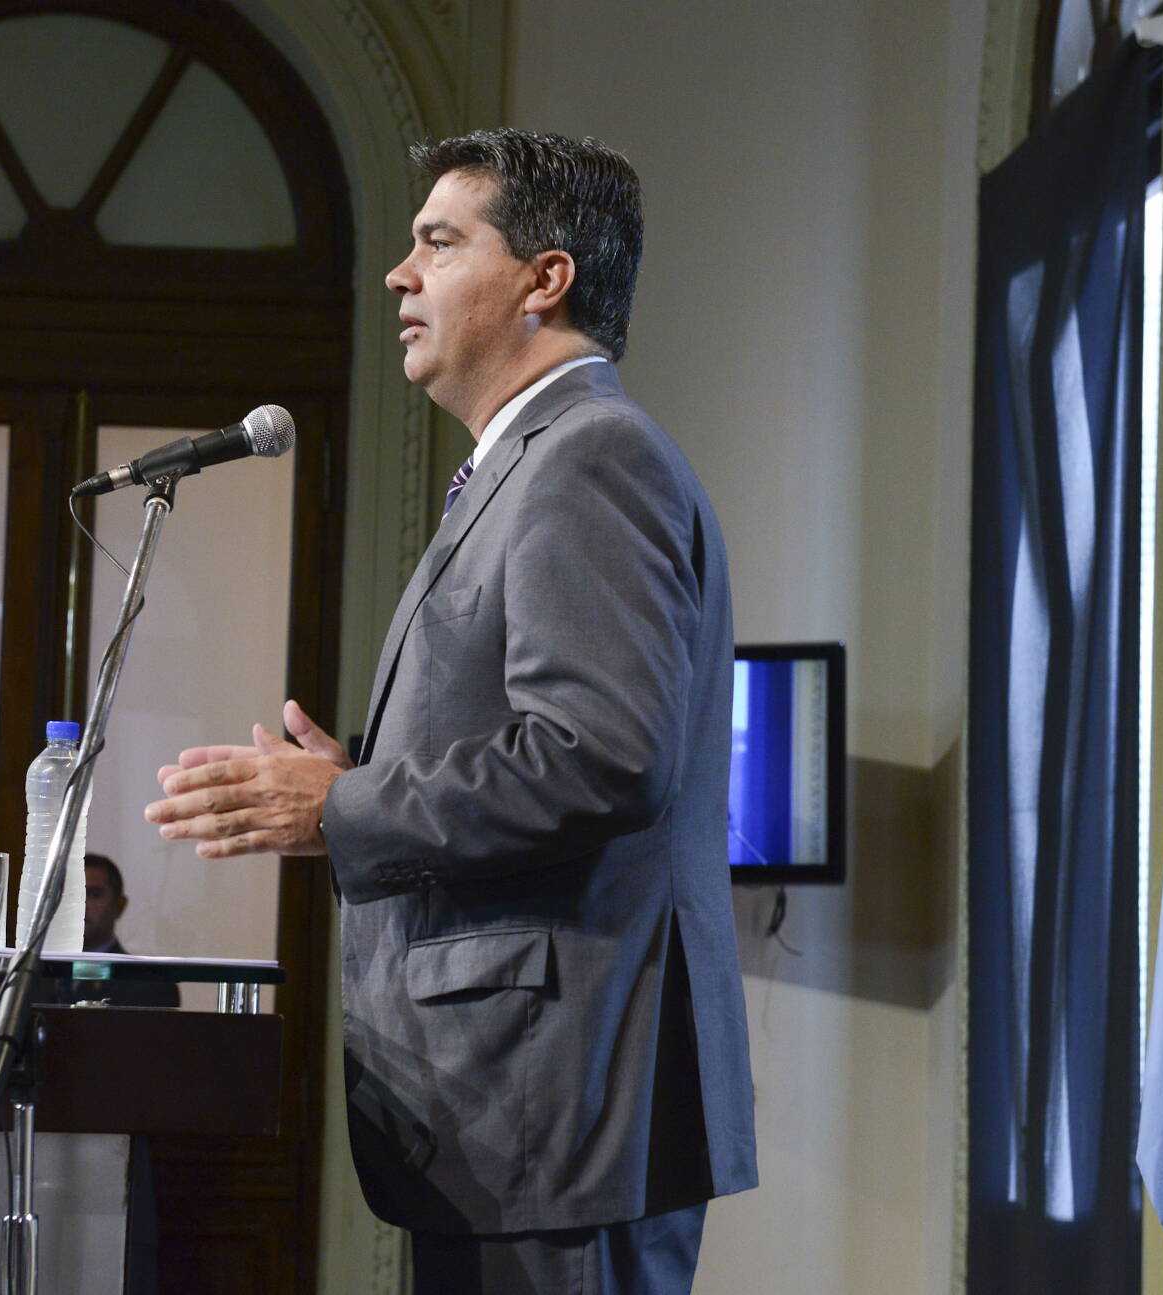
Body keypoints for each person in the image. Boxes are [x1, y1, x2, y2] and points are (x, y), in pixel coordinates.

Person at [143, 128, 754, 1294]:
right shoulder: (526, 461)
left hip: (564, 1106)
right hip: (513, 1111)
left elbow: (602, 755)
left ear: (544, 278)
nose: (397, 274)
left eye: (437, 242)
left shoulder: (589, 456)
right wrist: (366, 771)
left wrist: (350, 804)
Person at [69, 853, 179, 1009]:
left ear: (119, 905)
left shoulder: (151, 985)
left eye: (94, 895)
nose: (81, 905)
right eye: (72, 895)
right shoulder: (33, 976)